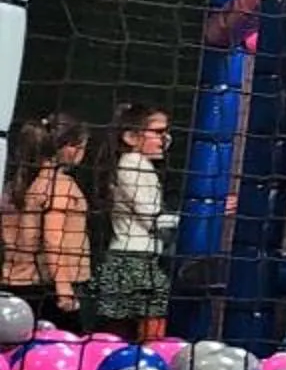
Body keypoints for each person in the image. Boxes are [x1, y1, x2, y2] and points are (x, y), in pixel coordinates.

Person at [84, 103, 172, 340]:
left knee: (123, 330)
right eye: (158, 132)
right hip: (133, 259)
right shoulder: (133, 163)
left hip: (135, 257)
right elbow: (151, 217)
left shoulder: (138, 164)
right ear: (131, 137)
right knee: (142, 331)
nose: (165, 139)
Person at [3, 114, 93, 324]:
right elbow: (54, 238)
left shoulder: (13, 185)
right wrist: (63, 289)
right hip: (48, 290)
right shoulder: (59, 186)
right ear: (70, 147)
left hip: (15, 283)